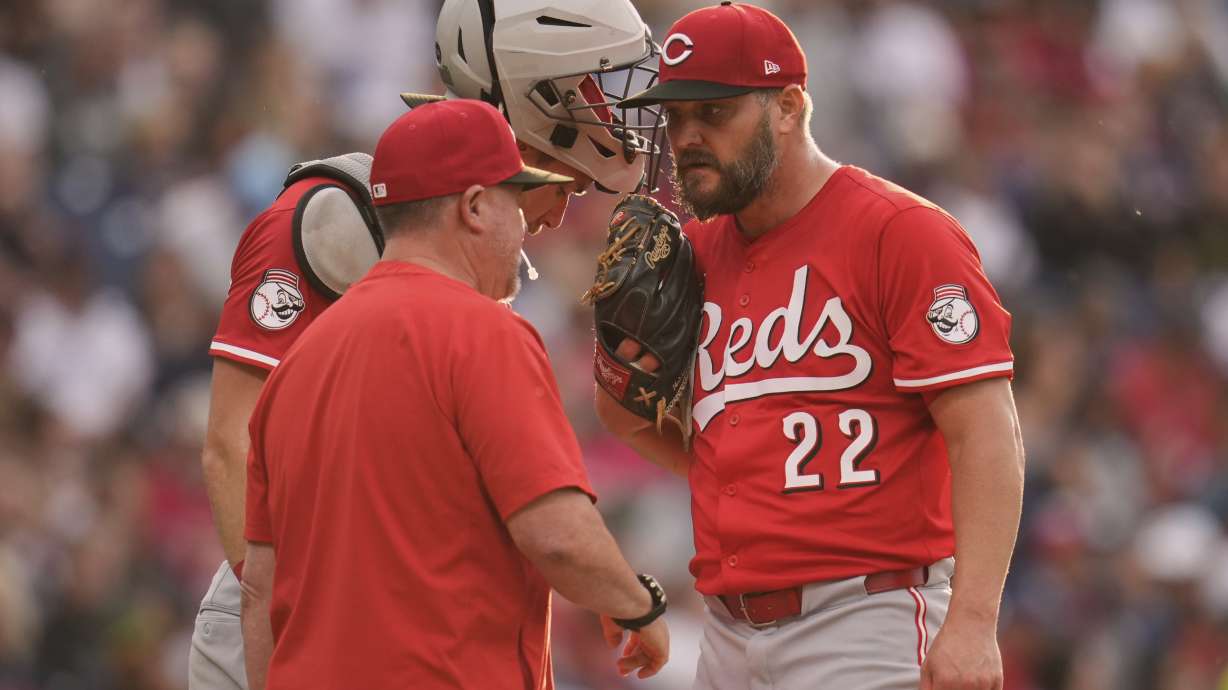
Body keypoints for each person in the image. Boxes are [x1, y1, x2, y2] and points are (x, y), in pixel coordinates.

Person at [189, 0, 664, 686]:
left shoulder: (472, 267)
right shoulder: (334, 218)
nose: (565, 212)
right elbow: (230, 447)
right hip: (306, 612)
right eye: (568, 185)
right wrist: (305, 611)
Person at [598, 3, 1025, 690]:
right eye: (676, 118)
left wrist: (974, 620)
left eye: (714, 113)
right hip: (726, 634)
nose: (688, 137)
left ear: (789, 107)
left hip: (864, 617)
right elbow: (622, 417)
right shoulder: (692, 254)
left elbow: (986, 431)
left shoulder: (900, 233)